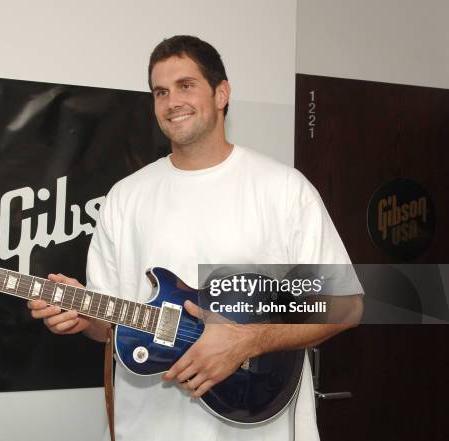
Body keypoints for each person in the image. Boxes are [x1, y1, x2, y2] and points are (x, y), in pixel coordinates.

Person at [28, 35, 363, 441]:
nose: (172, 102)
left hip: (259, 424)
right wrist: (80, 316)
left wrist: (248, 341)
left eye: (186, 86)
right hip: (147, 426)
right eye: (160, 92)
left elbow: (345, 306)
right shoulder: (126, 195)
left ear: (221, 93)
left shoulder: (283, 189)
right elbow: (107, 325)